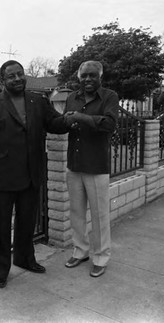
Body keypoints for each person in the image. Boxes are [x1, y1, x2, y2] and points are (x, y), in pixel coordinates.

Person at [0, 60, 68, 288]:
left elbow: (54, 123)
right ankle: (0, 269)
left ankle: (25, 259)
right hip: (3, 176)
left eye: (20, 74)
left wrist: (72, 118)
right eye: (11, 76)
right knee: (1, 227)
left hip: (31, 173)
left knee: (27, 222)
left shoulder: (38, 101)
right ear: (3, 81)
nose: (17, 79)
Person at [62, 60, 119, 277]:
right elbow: (67, 122)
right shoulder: (71, 98)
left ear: (100, 77)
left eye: (92, 75)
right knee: (76, 212)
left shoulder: (109, 97)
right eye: (84, 75)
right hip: (74, 164)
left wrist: (80, 118)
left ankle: (101, 256)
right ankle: (81, 250)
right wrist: (68, 122)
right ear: (79, 77)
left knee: (99, 215)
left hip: (96, 165)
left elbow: (109, 124)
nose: (88, 79)